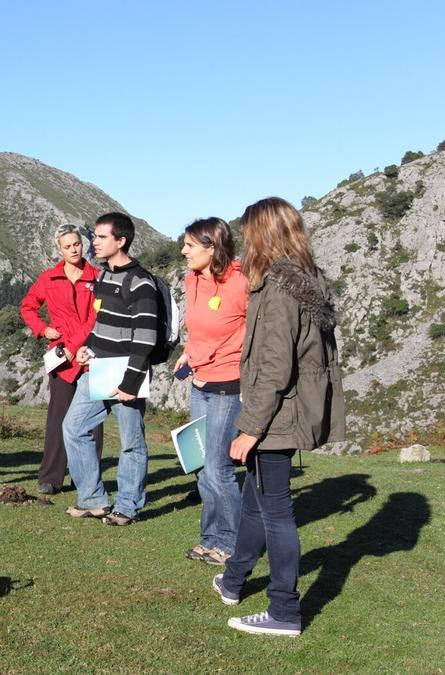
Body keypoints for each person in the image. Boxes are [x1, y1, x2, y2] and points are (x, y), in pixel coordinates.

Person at [213, 197, 346, 637]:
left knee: (276, 513)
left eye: (249, 231)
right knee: (256, 502)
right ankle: (233, 581)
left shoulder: (278, 288)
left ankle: (284, 611)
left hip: (276, 417)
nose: (245, 239)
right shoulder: (306, 280)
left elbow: (274, 366)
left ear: (264, 234)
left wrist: (250, 427)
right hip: (287, 410)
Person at [64, 212, 160, 526]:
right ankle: (92, 500)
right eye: (95, 236)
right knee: (74, 428)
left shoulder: (141, 282)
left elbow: (145, 338)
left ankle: (127, 507)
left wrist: (131, 383)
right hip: (97, 368)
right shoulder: (103, 277)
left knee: (132, 441)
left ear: (121, 241)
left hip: (127, 374)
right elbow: (101, 323)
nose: (94, 241)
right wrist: (87, 346)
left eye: (101, 237)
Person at [172, 218, 249, 566]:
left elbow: (248, 333)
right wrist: (188, 354)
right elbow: (198, 328)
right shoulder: (192, 280)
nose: (183, 250)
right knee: (202, 465)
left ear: (212, 247)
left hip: (226, 386)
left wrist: (205, 355)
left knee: (219, 468)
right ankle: (210, 538)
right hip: (199, 383)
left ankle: (231, 544)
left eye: (190, 245)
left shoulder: (240, 282)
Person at [19, 224, 103, 495]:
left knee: (93, 420)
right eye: (67, 246)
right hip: (62, 359)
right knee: (58, 417)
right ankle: (51, 478)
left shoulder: (97, 277)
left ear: (83, 243)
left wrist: (74, 345)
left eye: (76, 244)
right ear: (59, 249)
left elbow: (96, 318)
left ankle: (87, 480)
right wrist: (43, 329)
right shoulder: (49, 278)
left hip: (91, 354)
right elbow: (28, 306)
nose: (74, 249)